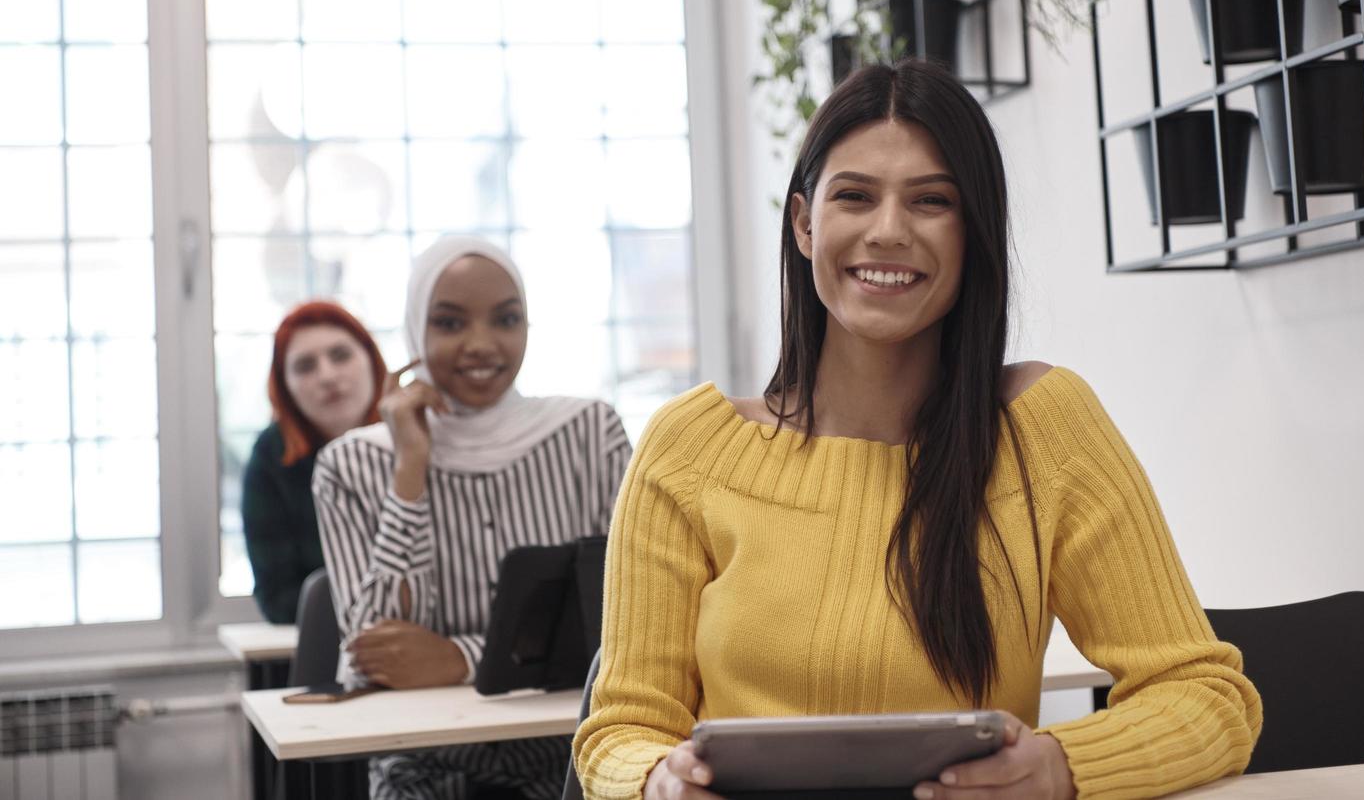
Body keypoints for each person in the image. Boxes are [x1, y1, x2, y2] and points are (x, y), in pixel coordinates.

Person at [574, 60, 1262, 800]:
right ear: (806, 224)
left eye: (931, 201)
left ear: (973, 233)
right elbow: (619, 729)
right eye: (855, 197)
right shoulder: (691, 449)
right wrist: (655, 781)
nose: (889, 231)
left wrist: (1064, 766)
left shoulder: (1044, 430)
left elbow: (1206, 696)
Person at [313, 235, 633, 800]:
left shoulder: (590, 434)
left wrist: (457, 657)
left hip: (571, 760)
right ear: (416, 330)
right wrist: (410, 468)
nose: (482, 345)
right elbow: (373, 657)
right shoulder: (352, 464)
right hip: (422, 770)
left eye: (506, 320)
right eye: (450, 323)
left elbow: (623, 627)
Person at [243, 301, 387, 624]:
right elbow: (277, 600)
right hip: (329, 647)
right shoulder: (271, 457)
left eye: (340, 355)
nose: (327, 376)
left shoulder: (419, 434)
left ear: (371, 358)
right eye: (306, 366)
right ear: (285, 386)